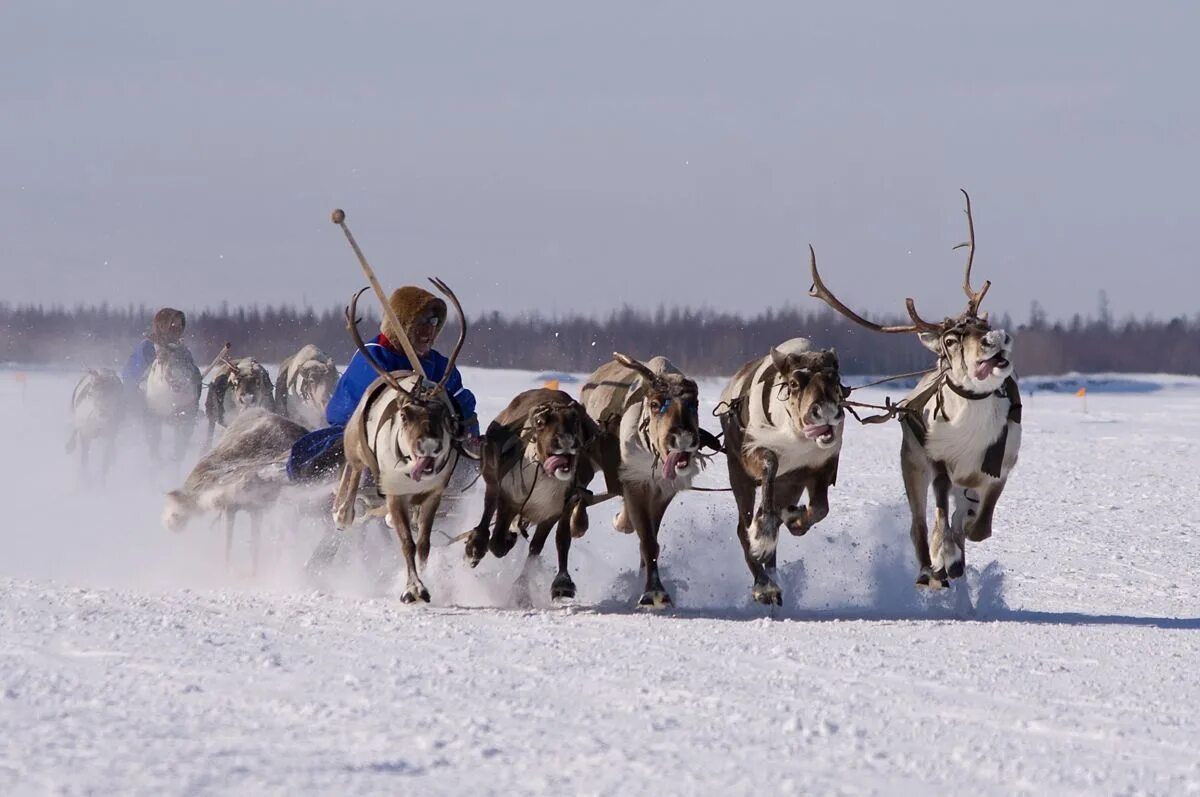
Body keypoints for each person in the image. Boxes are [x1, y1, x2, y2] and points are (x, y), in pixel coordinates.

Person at [287, 285, 479, 483]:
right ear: (402, 324)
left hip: (426, 440)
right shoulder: (374, 356)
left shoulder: (438, 365)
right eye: (421, 321)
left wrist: (468, 433)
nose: (428, 329)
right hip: (359, 432)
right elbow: (372, 405)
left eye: (433, 321)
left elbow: (461, 401)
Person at [120, 307, 197, 393]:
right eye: (173, 325)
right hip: (147, 399)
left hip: (181, 401)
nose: (177, 329)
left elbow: (194, 375)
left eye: (180, 326)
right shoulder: (148, 347)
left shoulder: (183, 351)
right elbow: (130, 375)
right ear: (162, 326)